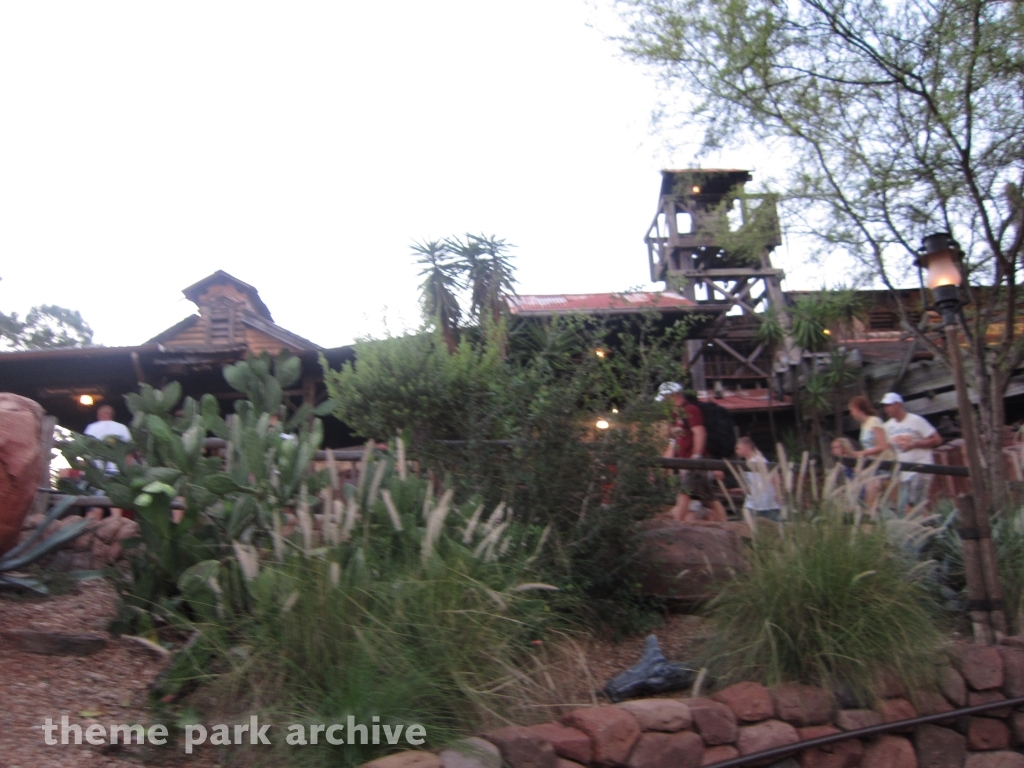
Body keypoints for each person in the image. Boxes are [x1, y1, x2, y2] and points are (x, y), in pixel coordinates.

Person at [656, 382, 726, 522]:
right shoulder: (676, 416)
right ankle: (724, 522)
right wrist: (661, 466)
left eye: (665, 398)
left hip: (692, 461)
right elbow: (673, 444)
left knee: (684, 493)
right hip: (686, 462)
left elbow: (699, 432)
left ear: (672, 396)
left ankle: (677, 523)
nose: (664, 402)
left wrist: (696, 456)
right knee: (708, 495)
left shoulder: (690, 409)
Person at [881, 392, 943, 514]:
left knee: (912, 505)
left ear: (898, 405)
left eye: (889, 405)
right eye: (885, 406)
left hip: (920, 467)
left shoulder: (916, 420)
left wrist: (914, 444)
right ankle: (931, 529)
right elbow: (887, 449)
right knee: (916, 508)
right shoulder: (887, 427)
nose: (886, 408)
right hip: (904, 473)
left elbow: (937, 439)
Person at [83, 404, 132, 519]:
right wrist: (127, 471)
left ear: (100, 414)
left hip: (97, 471)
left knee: (96, 502)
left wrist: (86, 469)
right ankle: (116, 523)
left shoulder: (92, 427)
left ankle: (92, 528)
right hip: (117, 470)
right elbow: (129, 451)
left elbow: (85, 450)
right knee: (115, 501)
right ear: (111, 415)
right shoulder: (122, 428)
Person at [847, 395, 891, 508]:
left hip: (885, 464)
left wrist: (862, 453)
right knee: (870, 501)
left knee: (897, 500)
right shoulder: (863, 425)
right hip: (873, 466)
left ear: (858, 409)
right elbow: (869, 447)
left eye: (851, 410)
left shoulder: (874, 421)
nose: (851, 413)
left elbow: (883, 446)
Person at [735, 437, 781, 522]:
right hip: (753, 501)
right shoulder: (746, 464)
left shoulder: (759, 460)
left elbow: (773, 475)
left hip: (765, 501)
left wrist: (776, 492)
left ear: (747, 447)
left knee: (774, 525)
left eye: (738, 448)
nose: (736, 451)